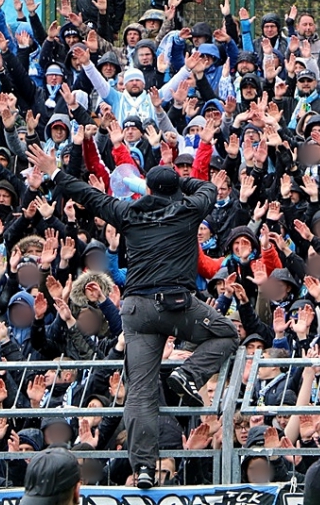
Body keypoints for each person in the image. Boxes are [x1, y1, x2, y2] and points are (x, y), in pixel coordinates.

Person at [25, 145, 239, 489]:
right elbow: (209, 189)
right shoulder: (188, 208)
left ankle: (142, 468)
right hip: (179, 305)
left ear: (148, 190)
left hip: (138, 310)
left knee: (140, 390)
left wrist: (54, 171)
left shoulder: (128, 211)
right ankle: (188, 374)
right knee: (227, 332)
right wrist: (183, 183)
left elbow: (88, 195)